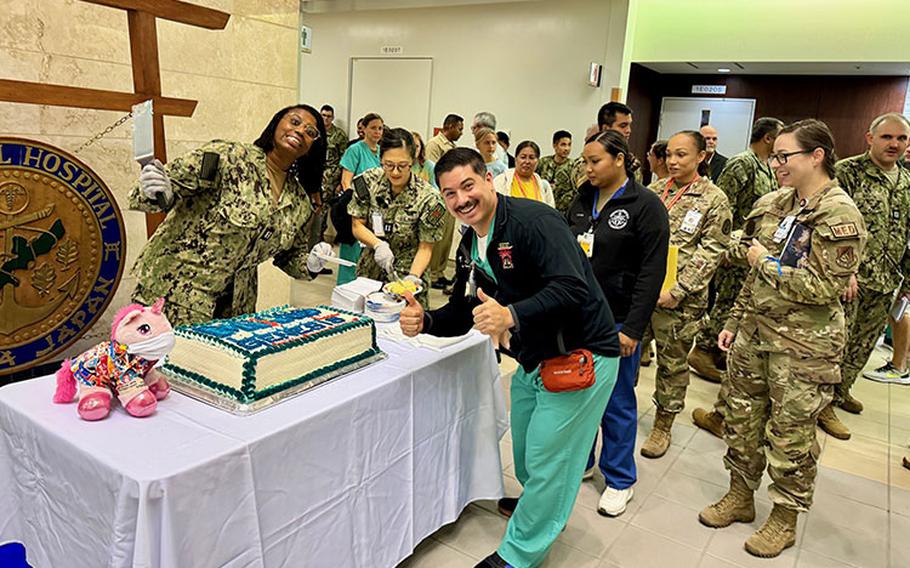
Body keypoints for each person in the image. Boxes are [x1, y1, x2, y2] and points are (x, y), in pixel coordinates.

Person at [398, 147, 620, 568]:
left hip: (580, 355)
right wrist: (425, 319)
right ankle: (537, 505)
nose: (462, 200)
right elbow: (470, 305)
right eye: (449, 194)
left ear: (487, 179)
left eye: (468, 186)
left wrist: (511, 314)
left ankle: (520, 554)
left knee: (550, 459)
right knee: (524, 451)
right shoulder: (472, 238)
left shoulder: (536, 223)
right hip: (536, 356)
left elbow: (572, 288)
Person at [699, 119, 866, 558]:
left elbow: (825, 287)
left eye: (784, 156)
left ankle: (784, 516)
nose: (776, 164)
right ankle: (739, 495)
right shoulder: (776, 203)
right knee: (742, 417)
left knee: (791, 434)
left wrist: (764, 262)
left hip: (804, 348)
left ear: (817, 156)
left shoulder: (839, 213)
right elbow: (753, 278)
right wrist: (735, 320)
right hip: (755, 333)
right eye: (774, 156)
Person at [129, 104, 334, 326]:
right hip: (173, 293)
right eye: (294, 122)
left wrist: (311, 264)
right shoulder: (229, 157)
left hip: (235, 309)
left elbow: (290, 256)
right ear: (276, 124)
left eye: (311, 132)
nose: (301, 131)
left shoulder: (299, 202)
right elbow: (163, 190)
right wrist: (160, 192)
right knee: (160, 360)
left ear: (312, 147)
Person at [567, 130, 670, 517]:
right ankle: (585, 461)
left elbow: (651, 273)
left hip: (619, 320)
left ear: (620, 159)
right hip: (579, 316)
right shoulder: (581, 199)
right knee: (579, 393)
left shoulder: (646, 206)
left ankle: (620, 479)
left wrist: (633, 329)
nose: (588, 168)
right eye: (585, 161)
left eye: (595, 161)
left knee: (617, 401)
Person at [816, 113, 910, 440]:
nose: (894, 144)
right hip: (851, 281)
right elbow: (834, 224)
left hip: (886, 280)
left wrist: (907, 284)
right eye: (887, 137)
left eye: (901, 139)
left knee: (863, 344)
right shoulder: (848, 172)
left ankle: (842, 391)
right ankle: (823, 403)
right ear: (870, 139)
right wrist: (847, 270)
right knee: (839, 342)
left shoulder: (907, 182)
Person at [689, 117, 785, 438]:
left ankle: (716, 350)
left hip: (755, 252)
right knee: (727, 302)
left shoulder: (765, 166)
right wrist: (726, 248)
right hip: (737, 249)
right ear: (769, 138)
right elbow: (724, 207)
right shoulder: (743, 164)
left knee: (734, 306)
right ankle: (703, 348)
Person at [640, 130, 732, 459]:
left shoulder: (713, 199)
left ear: (701, 157)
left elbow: (712, 252)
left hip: (680, 302)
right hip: (643, 293)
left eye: (682, 155)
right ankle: (615, 413)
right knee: (628, 354)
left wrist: (679, 290)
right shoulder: (652, 192)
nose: (673, 161)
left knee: (672, 364)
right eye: (669, 155)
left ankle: (663, 424)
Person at [348, 128, 446, 309]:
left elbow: (426, 247)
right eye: (388, 165)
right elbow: (357, 225)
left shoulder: (430, 198)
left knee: (406, 330)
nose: (394, 172)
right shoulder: (367, 182)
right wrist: (378, 244)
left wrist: (412, 278)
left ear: (413, 161)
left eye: (402, 166)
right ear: (380, 159)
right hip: (370, 271)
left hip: (408, 273)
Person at [336, 113, 384, 284]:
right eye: (373, 128)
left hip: (377, 212)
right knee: (352, 254)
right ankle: (345, 288)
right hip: (357, 209)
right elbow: (346, 181)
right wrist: (357, 204)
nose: (377, 132)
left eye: (380, 128)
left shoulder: (382, 152)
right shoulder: (355, 150)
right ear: (363, 129)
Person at [572, 102, 641, 188]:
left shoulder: (631, 162)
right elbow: (585, 189)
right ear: (605, 129)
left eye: (629, 125)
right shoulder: (584, 162)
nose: (628, 130)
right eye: (623, 126)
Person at [312, 104, 348, 252]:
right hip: (315, 174)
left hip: (330, 177)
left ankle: (319, 239)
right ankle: (313, 238)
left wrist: (340, 181)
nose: (325, 119)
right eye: (323, 116)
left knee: (324, 208)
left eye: (328, 116)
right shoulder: (314, 132)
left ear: (332, 118)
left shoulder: (339, 135)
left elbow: (344, 159)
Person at [493, 141, 555, 207]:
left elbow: (551, 212)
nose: (527, 161)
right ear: (516, 159)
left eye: (531, 158)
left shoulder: (544, 186)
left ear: (537, 161)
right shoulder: (502, 181)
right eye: (523, 157)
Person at [537, 130, 575, 212]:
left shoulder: (573, 166)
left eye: (569, 145)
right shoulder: (543, 162)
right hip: (543, 207)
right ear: (555, 145)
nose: (567, 149)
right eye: (563, 145)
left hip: (563, 211)